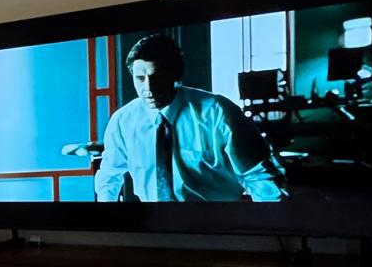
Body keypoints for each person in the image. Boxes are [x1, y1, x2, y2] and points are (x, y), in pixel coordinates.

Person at [93, 33, 287, 202]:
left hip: (216, 226)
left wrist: (269, 228)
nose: (148, 89)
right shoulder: (123, 121)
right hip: (154, 227)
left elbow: (260, 176)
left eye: (157, 77)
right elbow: (109, 177)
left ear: (175, 75)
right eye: (140, 79)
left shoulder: (218, 113)